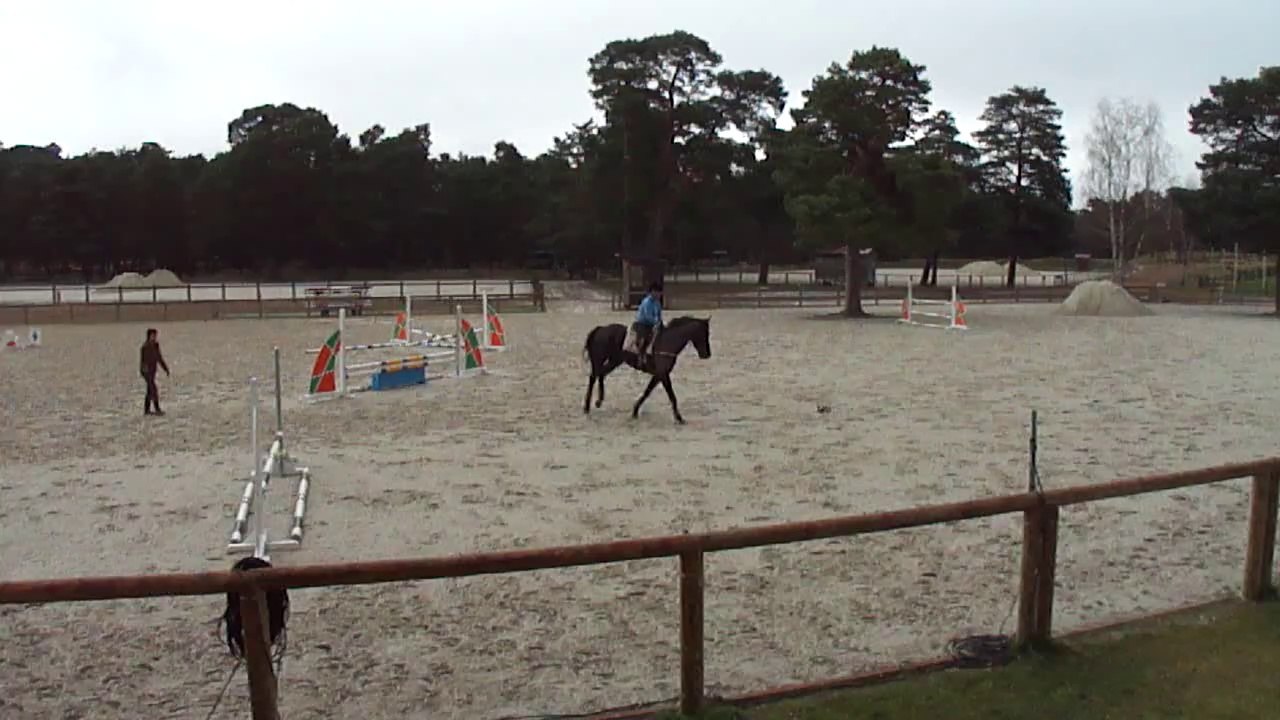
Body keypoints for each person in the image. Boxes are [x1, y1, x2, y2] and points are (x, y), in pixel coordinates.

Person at [140, 328, 170, 416]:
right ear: (149, 336)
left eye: (155, 335)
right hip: (146, 372)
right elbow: (143, 360)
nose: (154, 337)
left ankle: (147, 410)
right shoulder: (145, 347)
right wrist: (144, 370)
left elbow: (159, 358)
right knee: (153, 389)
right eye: (152, 335)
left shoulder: (156, 345)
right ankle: (157, 409)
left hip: (153, 371)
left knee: (150, 390)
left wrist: (165, 369)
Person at [633, 281, 664, 366]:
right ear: (653, 292)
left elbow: (659, 314)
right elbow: (647, 316)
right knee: (644, 339)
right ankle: (640, 356)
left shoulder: (657, 302)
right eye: (658, 292)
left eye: (660, 292)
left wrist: (660, 322)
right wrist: (655, 322)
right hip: (643, 324)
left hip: (653, 323)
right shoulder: (647, 302)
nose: (660, 294)